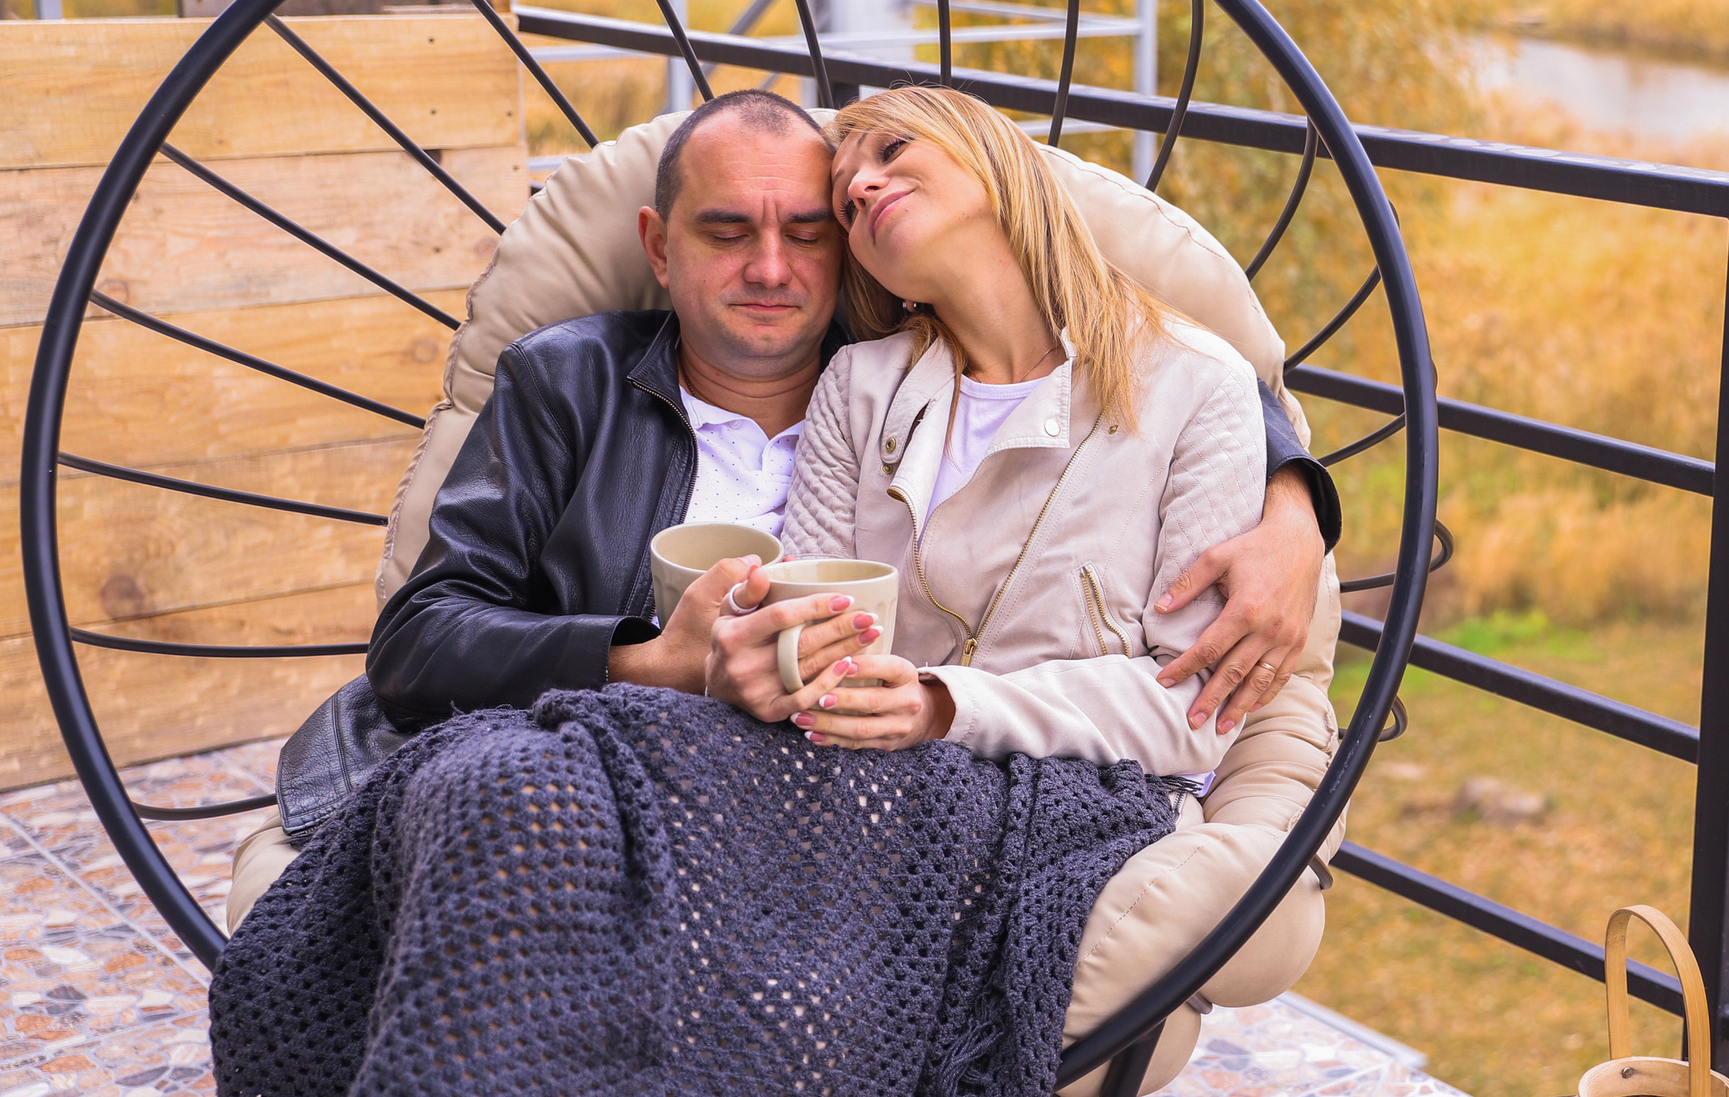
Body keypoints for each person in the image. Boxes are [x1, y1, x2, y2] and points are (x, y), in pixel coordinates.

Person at [228, 87, 1339, 923]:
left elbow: (1171, 374)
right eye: (725, 232)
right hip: (603, 755)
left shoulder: (889, 364)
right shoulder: (572, 380)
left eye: (812, 230)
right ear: (659, 252)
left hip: (849, 786)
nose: (773, 266)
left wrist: (1296, 512)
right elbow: (420, 639)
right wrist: (646, 659)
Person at [705, 85, 1272, 775]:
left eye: (893, 148)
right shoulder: (857, 385)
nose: (862, 184)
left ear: (995, 158)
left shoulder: (1198, 383)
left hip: (1077, 805)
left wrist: (945, 706)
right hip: (858, 781)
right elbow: (813, 627)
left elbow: (1193, 707)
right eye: (845, 204)